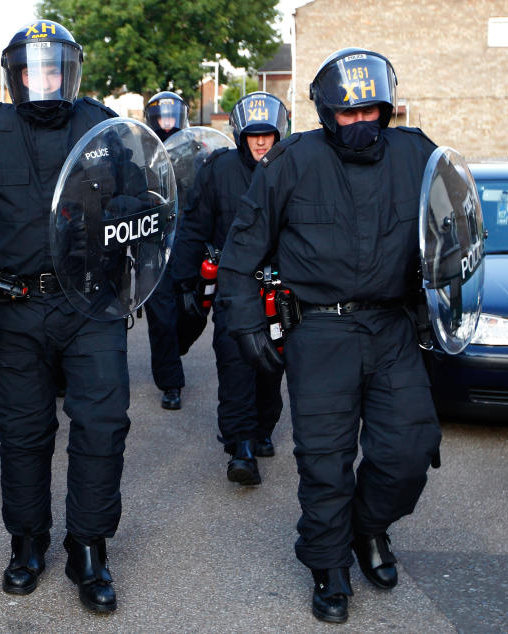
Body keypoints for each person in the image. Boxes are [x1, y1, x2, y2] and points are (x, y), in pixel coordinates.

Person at [216, 49, 442, 623]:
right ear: (325, 112)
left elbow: (452, 234)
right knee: (325, 458)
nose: (361, 121)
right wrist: (244, 323)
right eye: (348, 112)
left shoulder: (417, 154)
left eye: (371, 109)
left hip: (392, 326)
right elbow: (242, 251)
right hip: (320, 328)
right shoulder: (292, 160)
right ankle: (328, 565)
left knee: (409, 451)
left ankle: (367, 529)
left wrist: (445, 307)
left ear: (386, 107)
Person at [0, 20, 129, 613]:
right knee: (24, 432)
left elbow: (143, 203)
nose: (44, 79)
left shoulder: (101, 127)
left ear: (70, 71)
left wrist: (132, 262)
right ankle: (28, 540)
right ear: (14, 76)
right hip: (16, 306)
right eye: (32, 70)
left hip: (91, 303)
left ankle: (89, 546)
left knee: (102, 425)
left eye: (54, 68)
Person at [172, 91, 288, 485]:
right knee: (235, 363)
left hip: (278, 288)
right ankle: (240, 446)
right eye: (253, 134)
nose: (260, 141)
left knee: (271, 367)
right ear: (241, 134)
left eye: (267, 134)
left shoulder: (293, 168)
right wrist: (184, 281)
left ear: (278, 135)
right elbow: (192, 225)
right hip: (231, 285)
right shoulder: (217, 170)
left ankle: (263, 428)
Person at [142, 91, 189, 409]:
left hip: (187, 242)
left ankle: (176, 350)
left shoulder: (193, 150)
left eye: (173, 116)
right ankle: (171, 382)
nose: (168, 122)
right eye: (163, 116)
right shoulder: (140, 153)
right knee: (161, 318)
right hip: (154, 244)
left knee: (189, 313)